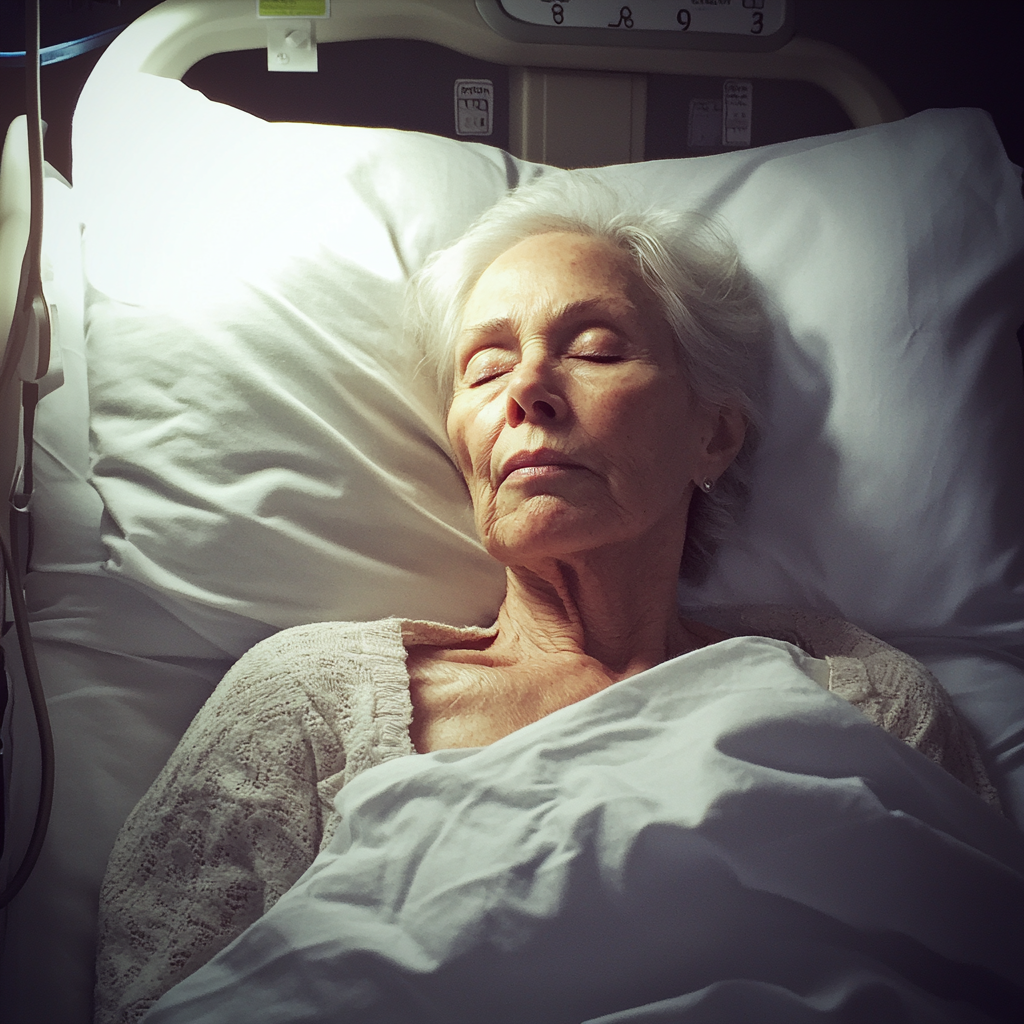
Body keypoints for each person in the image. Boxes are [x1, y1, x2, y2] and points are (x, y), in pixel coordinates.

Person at [93, 173, 995, 1024]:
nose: (525, 390)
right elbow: (157, 991)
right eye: (484, 369)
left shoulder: (860, 703)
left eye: (595, 349)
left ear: (714, 436)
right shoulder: (307, 705)